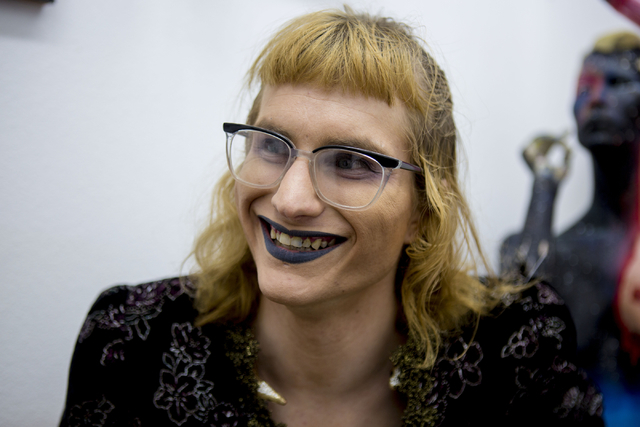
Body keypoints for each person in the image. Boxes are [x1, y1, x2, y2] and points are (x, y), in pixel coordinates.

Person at [60, 8, 604, 427]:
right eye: (271, 145)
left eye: (351, 162)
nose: (291, 200)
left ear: (423, 210)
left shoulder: (516, 350)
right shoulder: (131, 341)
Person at [500, 31, 640, 424]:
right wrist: (543, 187)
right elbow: (517, 331)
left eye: (618, 82)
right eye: (584, 88)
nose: (596, 98)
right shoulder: (556, 252)